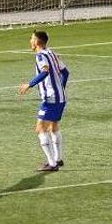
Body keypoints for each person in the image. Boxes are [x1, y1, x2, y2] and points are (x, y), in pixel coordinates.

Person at [18, 30, 70, 172]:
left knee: (40, 128)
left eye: (31, 39)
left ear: (37, 42)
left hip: (51, 98)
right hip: (60, 97)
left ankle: (51, 164)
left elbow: (45, 71)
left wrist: (29, 84)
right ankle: (58, 159)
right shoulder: (52, 53)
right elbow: (65, 72)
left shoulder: (41, 56)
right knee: (53, 127)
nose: (30, 41)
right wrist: (61, 88)